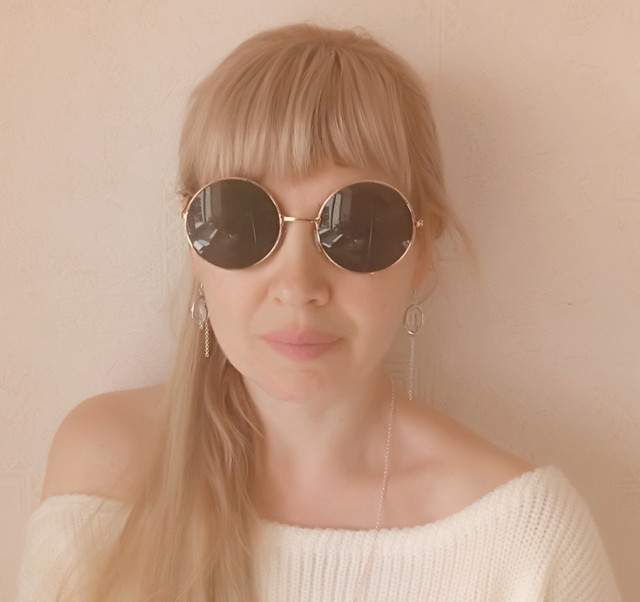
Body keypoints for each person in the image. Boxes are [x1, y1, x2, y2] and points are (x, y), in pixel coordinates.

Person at [17, 23, 620, 602]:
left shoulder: (520, 541)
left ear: (421, 250)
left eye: (357, 227)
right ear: (193, 244)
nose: (298, 286)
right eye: (240, 220)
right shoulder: (102, 470)